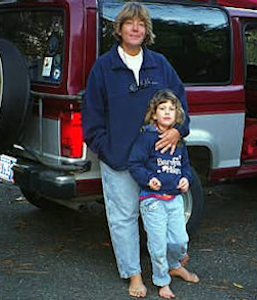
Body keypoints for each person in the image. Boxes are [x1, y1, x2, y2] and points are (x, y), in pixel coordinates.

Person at [82, 2, 189, 298]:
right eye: (129, 23)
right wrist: (107, 149)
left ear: (146, 30)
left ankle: (171, 264)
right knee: (124, 219)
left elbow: (180, 103)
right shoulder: (104, 67)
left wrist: (179, 130)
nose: (135, 28)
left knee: (168, 218)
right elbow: (91, 117)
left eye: (141, 23)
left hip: (159, 162)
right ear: (119, 29)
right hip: (119, 161)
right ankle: (134, 275)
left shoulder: (160, 64)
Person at [128, 90, 199, 299]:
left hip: (175, 199)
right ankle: (162, 281)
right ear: (154, 114)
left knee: (179, 240)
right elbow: (135, 164)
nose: (167, 112)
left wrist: (187, 179)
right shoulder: (147, 138)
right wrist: (148, 179)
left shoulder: (179, 142)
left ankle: (175, 265)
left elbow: (186, 167)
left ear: (177, 114)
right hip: (152, 201)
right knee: (158, 246)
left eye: (171, 109)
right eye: (162, 108)